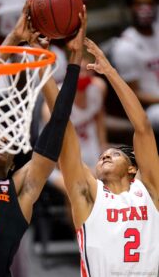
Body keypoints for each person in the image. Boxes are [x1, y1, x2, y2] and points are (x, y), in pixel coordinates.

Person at [0, 0, 86, 277]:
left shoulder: (22, 189)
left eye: (6, 137)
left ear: (14, 160)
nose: (0, 137)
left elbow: (58, 125)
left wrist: (69, 62)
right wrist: (12, 40)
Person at [42, 37, 159, 276]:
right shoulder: (88, 195)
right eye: (102, 156)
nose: (104, 156)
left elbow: (143, 128)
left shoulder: (149, 191)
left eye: (114, 154)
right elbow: (63, 129)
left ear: (132, 169)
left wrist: (110, 72)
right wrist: (45, 65)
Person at [111, 0, 159, 145]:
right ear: (131, 8)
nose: (145, 8)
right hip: (151, 108)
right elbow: (134, 93)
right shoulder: (125, 46)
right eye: (139, 4)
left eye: (149, 3)